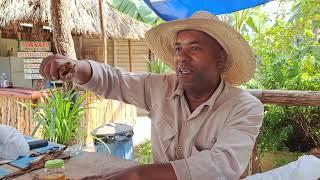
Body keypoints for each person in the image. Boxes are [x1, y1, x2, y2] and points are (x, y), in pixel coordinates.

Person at [40, 11, 264, 180]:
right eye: (178, 49)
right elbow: (115, 81)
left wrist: (136, 175)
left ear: (221, 59)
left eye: (194, 48)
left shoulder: (244, 107)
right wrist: (76, 67)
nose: (181, 58)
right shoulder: (159, 87)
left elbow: (222, 165)